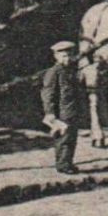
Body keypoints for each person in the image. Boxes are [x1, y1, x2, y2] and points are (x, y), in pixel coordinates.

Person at [41, 41, 83, 175]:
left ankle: (68, 162)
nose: (67, 59)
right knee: (63, 139)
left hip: (72, 110)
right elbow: (48, 93)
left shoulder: (70, 71)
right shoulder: (54, 72)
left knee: (71, 138)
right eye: (63, 56)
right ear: (56, 57)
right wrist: (50, 113)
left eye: (69, 56)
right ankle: (63, 165)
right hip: (61, 112)